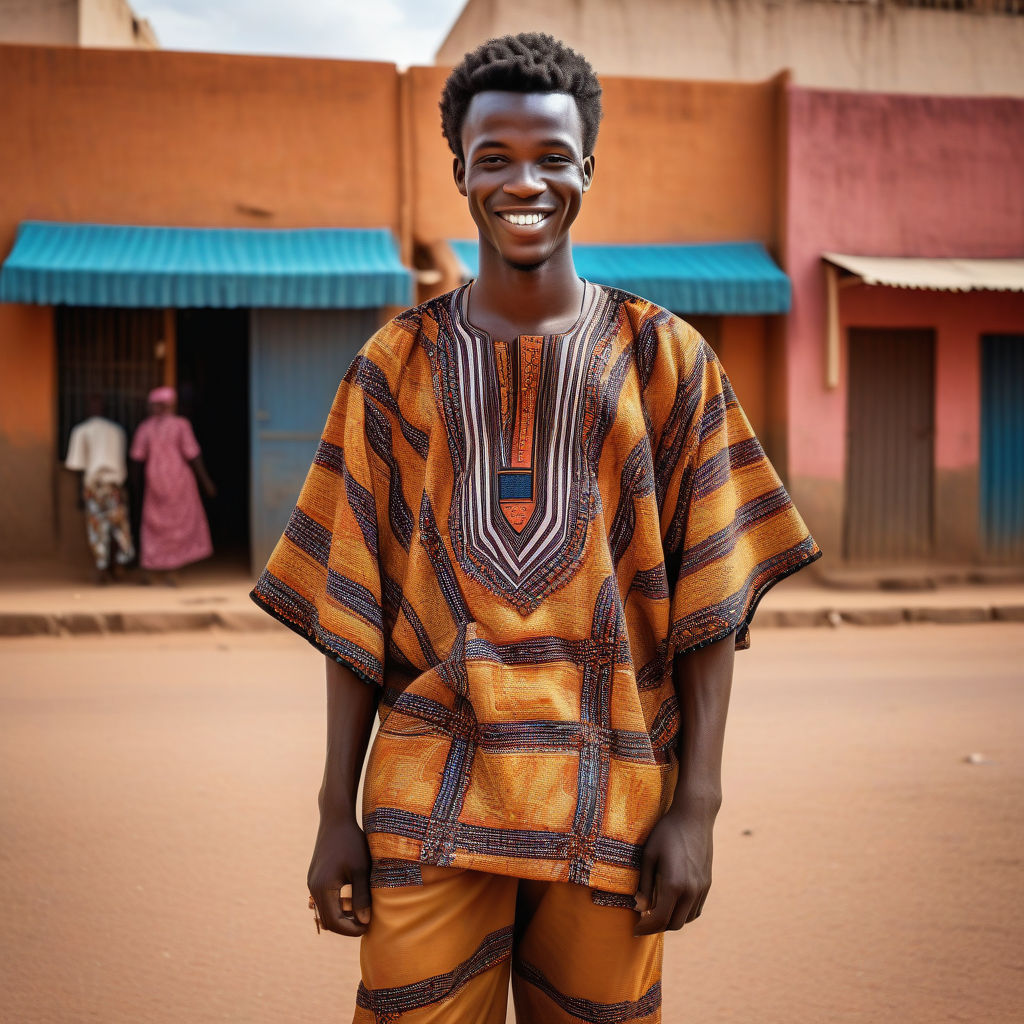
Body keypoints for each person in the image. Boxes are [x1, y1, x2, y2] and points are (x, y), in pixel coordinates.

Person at [251, 32, 820, 1022]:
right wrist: (331, 811)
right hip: (428, 788)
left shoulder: (666, 362)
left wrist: (699, 806)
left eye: (553, 157)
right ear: (460, 170)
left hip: (615, 790)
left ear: (587, 170)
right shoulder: (395, 365)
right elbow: (355, 607)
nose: (527, 180)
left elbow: (706, 610)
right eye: (497, 156)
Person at [130, 386, 215, 585]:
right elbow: (193, 455)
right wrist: (206, 482)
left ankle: (152, 570)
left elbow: (136, 459)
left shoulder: (145, 428)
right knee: (177, 526)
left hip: (155, 482)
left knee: (154, 525)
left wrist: (135, 487)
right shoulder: (181, 425)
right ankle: (172, 570)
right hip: (179, 481)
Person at [64, 395, 135, 584]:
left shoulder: (81, 431)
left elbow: (78, 466)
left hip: (95, 486)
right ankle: (115, 566)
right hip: (114, 486)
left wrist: (80, 493)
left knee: (98, 530)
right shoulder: (117, 430)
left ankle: (102, 568)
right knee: (118, 528)